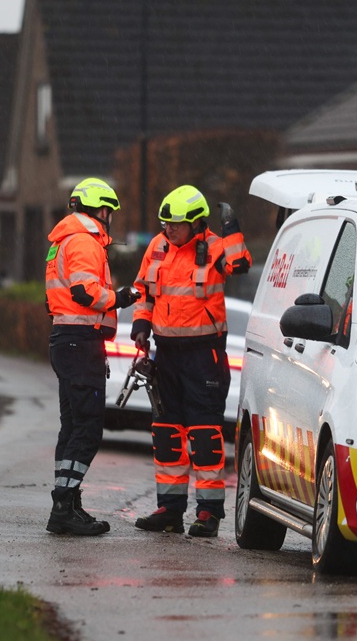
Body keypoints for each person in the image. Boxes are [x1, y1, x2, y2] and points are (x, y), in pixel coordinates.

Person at [131, 185, 252, 537]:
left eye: (176, 224)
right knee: (167, 435)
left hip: (204, 355)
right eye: (165, 223)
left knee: (203, 436)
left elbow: (240, 264)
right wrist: (141, 322)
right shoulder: (157, 247)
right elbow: (143, 290)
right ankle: (169, 510)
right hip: (166, 354)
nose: (169, 229)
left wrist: (231, 231)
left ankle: (209, 514)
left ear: (197, 224)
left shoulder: (215, 247)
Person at [45, 177, 138, 536]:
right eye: (109, 211)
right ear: (101, 210)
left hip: (65, 339)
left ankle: (66, 502)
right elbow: (85, 292)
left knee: (71, 427)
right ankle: (64, 506)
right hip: (81, 343)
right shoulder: (84, 241)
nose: (110, 218)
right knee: (87, 429)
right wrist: (122, 297)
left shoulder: (61, 242)